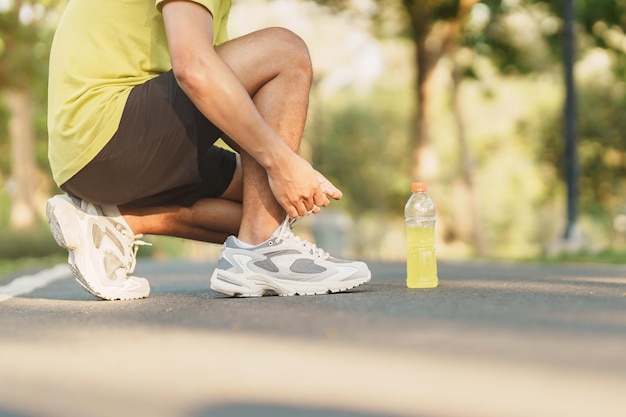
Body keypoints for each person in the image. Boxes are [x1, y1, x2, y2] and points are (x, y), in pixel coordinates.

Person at [45, 0, 371, 300]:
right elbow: (195, 69)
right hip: (107, 134)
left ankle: (121, 221)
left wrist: (293, 171)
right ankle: (262, 250)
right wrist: (282, 164)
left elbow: (225, 103)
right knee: (285, 51)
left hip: (95, 154)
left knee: (268, 202)